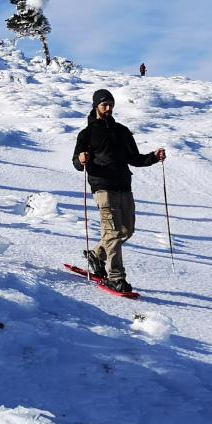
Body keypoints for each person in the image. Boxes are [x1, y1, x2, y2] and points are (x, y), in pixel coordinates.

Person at [71, 88, 166, 294]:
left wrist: (153, 157)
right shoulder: (87, 134)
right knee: (113, 233)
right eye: (105, 105)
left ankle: (97, 255)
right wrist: (81, 160)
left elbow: (135, 159)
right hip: (102, 187)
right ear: (96, 106)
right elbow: (77, 161)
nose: (109, 108)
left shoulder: (122, 131)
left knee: (126, 230)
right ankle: (116, 277)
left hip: (124, 186)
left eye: (111, 105)